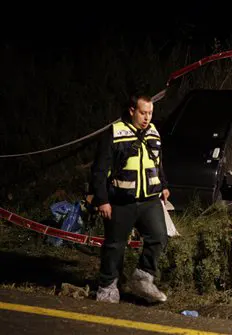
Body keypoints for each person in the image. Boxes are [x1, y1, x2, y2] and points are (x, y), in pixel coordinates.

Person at [90, 93, 170, 304]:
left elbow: (158, 162)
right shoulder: (114, 133)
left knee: (159, 236)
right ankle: (107, 287)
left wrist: (164, 185)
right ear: (132, 111)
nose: (147, 117)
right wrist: (102, 200)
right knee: (115, 245)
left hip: (150, 200)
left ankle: (143, 278)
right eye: (143, 113)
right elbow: (99, 170)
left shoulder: (153, 132)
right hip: (120, 201)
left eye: (150, 113)